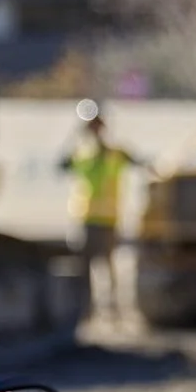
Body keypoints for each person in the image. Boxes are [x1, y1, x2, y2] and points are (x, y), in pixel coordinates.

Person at [59, 100, 135, 322]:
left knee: (108, 266)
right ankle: (87, 310)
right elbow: (62, 164)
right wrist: (76, 136)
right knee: (85, 268)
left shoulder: (114, 153)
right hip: (87, 217)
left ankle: (114, 310)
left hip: (109, 219)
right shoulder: (83, 153)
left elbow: (132, 159)